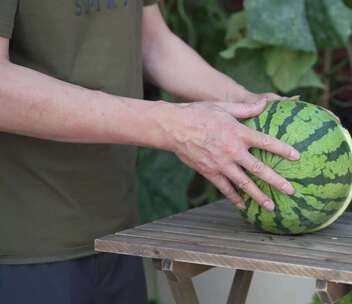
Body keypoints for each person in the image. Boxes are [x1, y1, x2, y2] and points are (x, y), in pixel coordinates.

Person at [0, 1, 299, 303]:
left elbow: (152, 41)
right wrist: (173, 125)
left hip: (116, 232)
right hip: (21, 248)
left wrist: (247, 102)